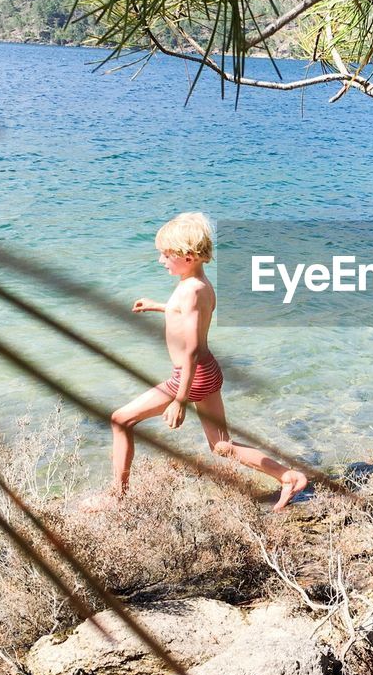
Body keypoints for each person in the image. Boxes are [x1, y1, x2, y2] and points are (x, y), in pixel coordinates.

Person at [108, 212, 308, 511]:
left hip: (192, 375)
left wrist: (179, 399)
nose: (161, 260)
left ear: (188, 256)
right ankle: (288, 476)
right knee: (221, 446)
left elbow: (189, 350)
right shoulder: (198, 284)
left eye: (166, 255)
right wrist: (159, 306)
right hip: (207, 372)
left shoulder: (191, 291)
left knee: (120, 420)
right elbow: (188, 315)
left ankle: (117, 497)